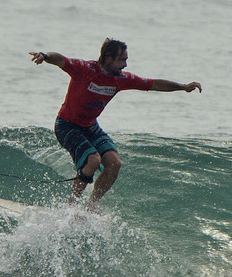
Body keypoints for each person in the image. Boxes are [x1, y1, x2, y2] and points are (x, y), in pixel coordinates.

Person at [29, 38, 201, 209]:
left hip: (90, 126)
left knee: (114, 163)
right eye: (122, 60)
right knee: (93, 160)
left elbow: (154, 84)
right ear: (109, 58)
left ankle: (91, 207)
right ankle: (71, 205)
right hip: (67, 125)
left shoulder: (121, 79)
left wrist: (183, 86)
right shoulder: (85, 69)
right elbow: (61, 59)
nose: (125, 65)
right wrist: (44, 56)